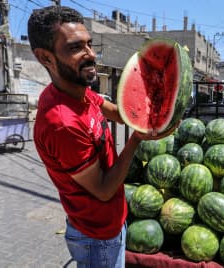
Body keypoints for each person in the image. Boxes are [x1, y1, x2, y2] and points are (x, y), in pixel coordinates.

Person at [28, 6, 175, 267]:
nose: (90, 55)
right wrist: (136, 139)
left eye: (90, 44)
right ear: (45, 58)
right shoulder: (62, 123)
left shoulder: (77, 92)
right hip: (97, 236)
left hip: (106, 224)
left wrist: (150, 114)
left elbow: (113, 111)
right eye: (75, 48)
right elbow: (105, 190)